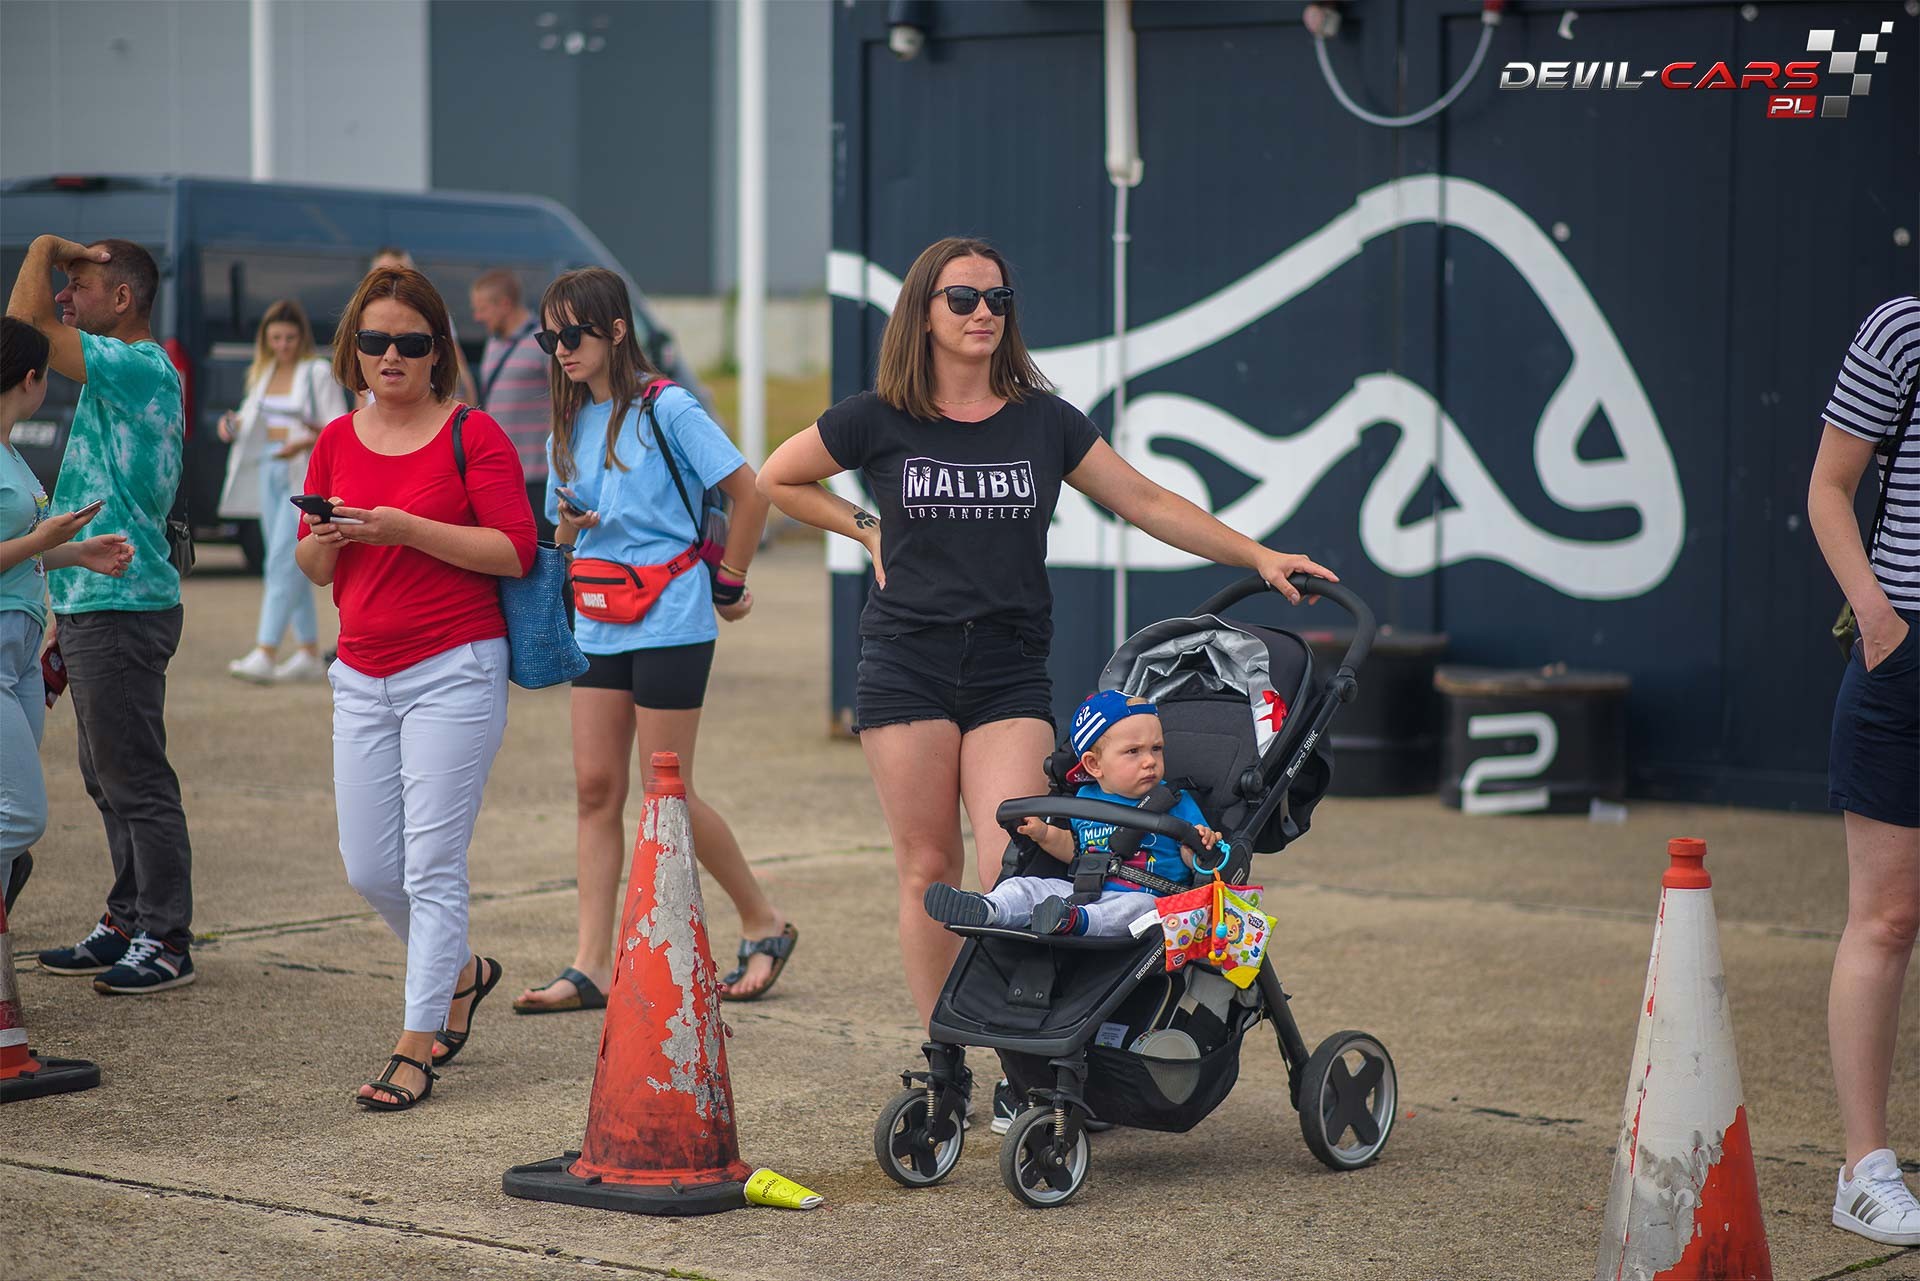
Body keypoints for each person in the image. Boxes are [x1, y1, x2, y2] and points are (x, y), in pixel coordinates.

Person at [758, 235, 1333, 1130]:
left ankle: (1027, 1068)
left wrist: (1256, 556)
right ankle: (947, 1066)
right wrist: (866, 528)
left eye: (997, 298)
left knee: (1018, 857)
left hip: (1007, 667)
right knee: (928, 868)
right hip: (905, 662)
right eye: (962, 298)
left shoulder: (1044, 421)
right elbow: (777, 477)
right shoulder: (877, 417)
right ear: (924, 313)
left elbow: (1145, 500)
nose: (983, 313)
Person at [511, 266, 794, 1015]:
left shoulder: (667, 407)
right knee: (595, 788)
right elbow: (566, 530)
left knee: (668, 795)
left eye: (574, 333)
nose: (561, 348)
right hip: (598, 614)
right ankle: (590, 966)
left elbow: (751, 491)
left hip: (671, 617)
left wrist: (729, 580)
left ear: (616, 330)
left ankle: (763, 920)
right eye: (549, 337)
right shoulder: (570, 420)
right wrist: (567, 529)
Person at [295, 265, 535, 1110]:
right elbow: (312, 565)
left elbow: (516, 550)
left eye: (409, 341)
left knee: (432, 864)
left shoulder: (473, 433)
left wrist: (405, 529)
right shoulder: (335, 438)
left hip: (455, 667)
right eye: (374, 340)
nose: (390, 355)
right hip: (361, 671)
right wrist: (327, 538)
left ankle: (413, 1044)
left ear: (439, 350)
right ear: (353, 349)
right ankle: (460, 970)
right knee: (369, 867)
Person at [8, 234, 199, 995]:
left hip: (125, 602)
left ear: (122, 298)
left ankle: (167, 939)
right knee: (106, 774)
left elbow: (19, 333)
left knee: (135, 777)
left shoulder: (138, 365)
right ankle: (128, 918)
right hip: (97, 597)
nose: (63, 293)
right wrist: (67, 606)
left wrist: (43, 245)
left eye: (79, 283)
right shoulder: (119, 369)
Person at [1810, 294, 1920, 1245]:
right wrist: (1881, 625)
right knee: (1886, 917)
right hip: (1905, 663)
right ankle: (1865, 1171)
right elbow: (1828, 488)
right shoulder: (1901, 329)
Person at [0, 317, 134, 912]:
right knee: (20, 817)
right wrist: (44, 539)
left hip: (21, 645)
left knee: (7, 812)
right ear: (31, 378)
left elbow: (20, 549)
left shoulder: (10, 451)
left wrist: (78, 552)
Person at [923, 690, 1219, 936]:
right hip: (1085, 892)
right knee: (1027, 886)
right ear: (1094, 765)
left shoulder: (1174, 801)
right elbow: (1076, 853)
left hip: (1149, 898)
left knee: (1135, 909)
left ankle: (1072, 921)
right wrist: (1044, 834)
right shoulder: (1083, 800)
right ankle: (990, 909)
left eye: (1156, 748)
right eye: (1133, 751)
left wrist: (1199, 845)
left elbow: (1198, 859)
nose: (1149, 761)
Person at [216, 298, 347, 683]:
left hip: (300, 472)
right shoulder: (264, 371)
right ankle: (307, 650)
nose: (283, 345)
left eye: (289, 337)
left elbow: (337, 426)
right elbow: (246, 419)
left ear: (300, 337)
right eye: (276, 338)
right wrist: (230, 426)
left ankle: (266, 650)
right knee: (288, 562)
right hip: (267, 469)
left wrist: (304, 442)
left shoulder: (316, 372)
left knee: (281, 560)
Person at [470, 269, 554, 540]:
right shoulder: (494, 343)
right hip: (504, 476)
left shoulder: (543, 341)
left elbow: (562, 403)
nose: (477, 317)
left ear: (504, 304)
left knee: (541, 551)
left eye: (483, 309)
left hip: (538, 477)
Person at [367, 248, 477, 405]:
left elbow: (457, 366)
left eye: (410, 341)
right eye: (375, 341)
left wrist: (464, 413)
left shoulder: (431, 313)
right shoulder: (364, 316)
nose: (392, 281)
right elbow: (361, 388)